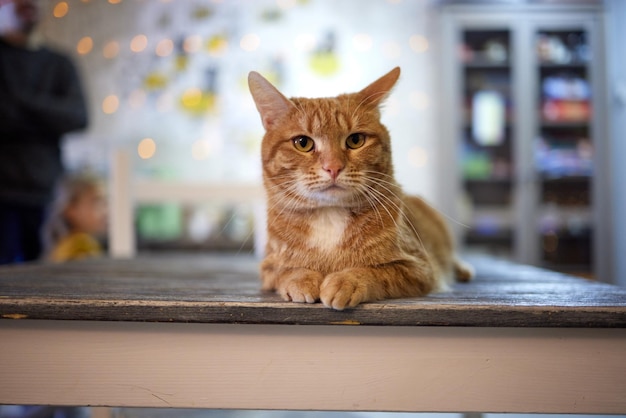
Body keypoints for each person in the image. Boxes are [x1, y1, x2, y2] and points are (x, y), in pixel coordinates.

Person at [0, 0, 88, 264]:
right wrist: (47, 118)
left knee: (46, 283)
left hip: (47, 193)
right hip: (2, 193)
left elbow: (78, 117)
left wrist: (22, 101)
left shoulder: (60, 63)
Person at [43, 172, 106, 263]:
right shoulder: (80, 248)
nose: (103, 211)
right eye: (94, 202)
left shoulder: (64, 245)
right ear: (71, 210)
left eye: (103, 202)